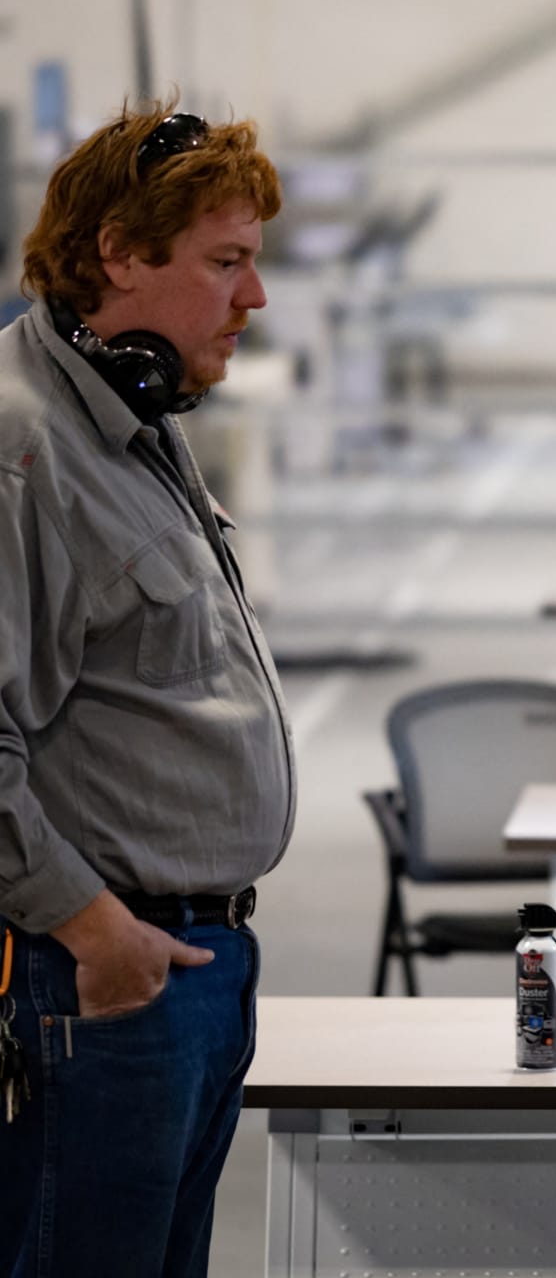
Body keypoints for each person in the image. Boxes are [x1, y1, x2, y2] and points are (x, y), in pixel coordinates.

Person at [0, 103, 294, 1276]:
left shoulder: (134, 413)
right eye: (225, 263)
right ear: (120, 254)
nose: (253, 297)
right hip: (99, 978)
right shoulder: (23, 449)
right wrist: (94, 928)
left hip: (187, 969)